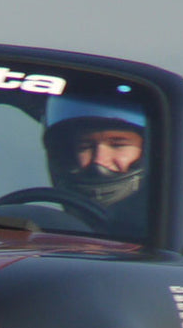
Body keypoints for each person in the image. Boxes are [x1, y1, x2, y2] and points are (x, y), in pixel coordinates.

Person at [41, 96, 148, 232]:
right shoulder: (47, 230)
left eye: (117, 145)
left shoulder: (168, 229)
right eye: (85, 147)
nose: (98, 160)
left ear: (147, 152)